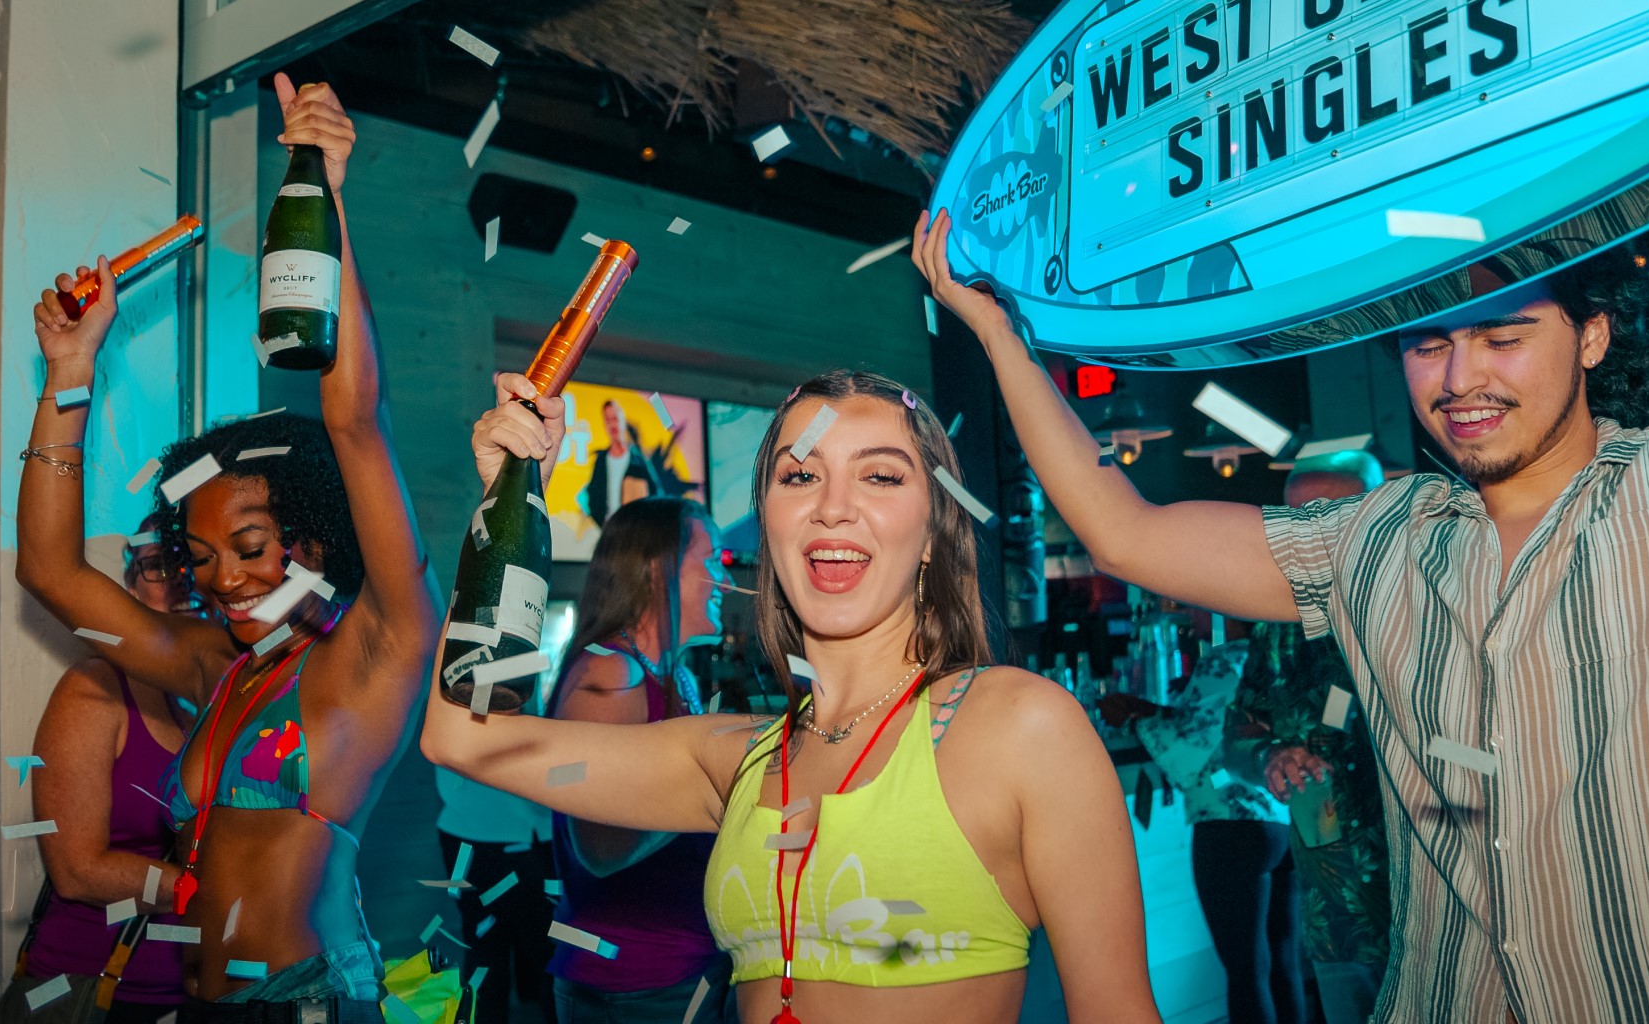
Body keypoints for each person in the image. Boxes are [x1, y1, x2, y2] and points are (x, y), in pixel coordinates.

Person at [915, 210, 1649, 1023]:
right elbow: (1126, 535)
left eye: (1504, 336)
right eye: (1429, 343)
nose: (1461, 378)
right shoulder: (1372, 541)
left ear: (1590, 337)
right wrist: (999, 335)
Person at [425, 368, 1161, 1024]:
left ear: (935, 530)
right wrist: (506, 507)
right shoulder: (731, 759)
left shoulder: (1020, 727)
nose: (831, 508)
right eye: (799, 477)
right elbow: (460, 734)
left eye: (881, 477)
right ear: (771, 523)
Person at [18, 75, 440, 1019]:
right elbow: (47, 571)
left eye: (249, 545)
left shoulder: (377, 652)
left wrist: (321, 194)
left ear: (314, 542)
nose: (226, 581)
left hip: (308, 1002)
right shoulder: (223, 669)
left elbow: (355, 419)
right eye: (202, 560)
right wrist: (69, 376)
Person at [547, 495, 730, 1023]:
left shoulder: (678, 675)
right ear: (659, 569)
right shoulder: (610, 674)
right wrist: (722, 792)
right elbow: (602, 846)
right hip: (630, 984)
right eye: (711, 558)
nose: (725, 573)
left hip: (684, 965)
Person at [18, 522, 200, 1022]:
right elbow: (77, 870)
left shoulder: (224, 695)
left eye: (194, 560)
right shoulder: (94, 690)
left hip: (200, 999)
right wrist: (205, 890)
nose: (180, 578)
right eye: (160, 565)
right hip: (93, 996)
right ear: (129, 583)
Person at [1244, 452, 1393, 1024]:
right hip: (1335, 913)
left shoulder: (1425, 599)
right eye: (1294, 515)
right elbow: (1238, 734)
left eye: (1330, 512)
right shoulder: (1275, 619)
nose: (1308, 531)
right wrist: (1269, 756)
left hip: (1439, 910)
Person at [1100, 638, 1304, 1024]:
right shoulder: (1272, 652)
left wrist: (1135, 717)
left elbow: (1192, 751)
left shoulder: (1222, 660)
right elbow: (1226, 732)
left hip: (1226, 821)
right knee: (1284, 962)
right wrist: (1159, 710)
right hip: (1279, 821)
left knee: (1246, 971)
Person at [434, 745, 554, 1024]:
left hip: (461, 830)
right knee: (550, 952)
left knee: (485, 945)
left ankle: (512, 1006)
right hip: (525, 835)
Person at [584, 400, 654, 526]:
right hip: (610, 530)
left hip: (633, 530)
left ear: (623, 420)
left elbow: (656, 492)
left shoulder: (638, 459)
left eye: (615, 418)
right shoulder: (601, 461)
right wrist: (602, 522)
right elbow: (592, 495)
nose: (612, 425)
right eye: (608, 420)